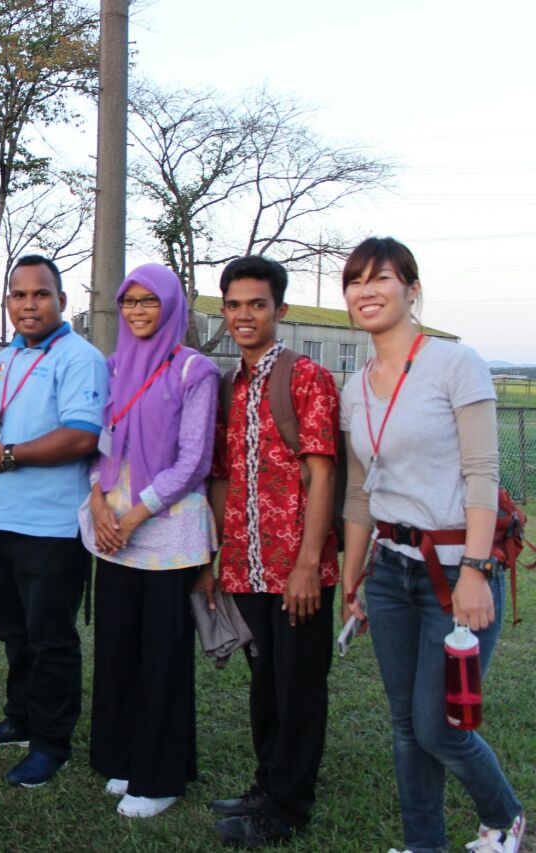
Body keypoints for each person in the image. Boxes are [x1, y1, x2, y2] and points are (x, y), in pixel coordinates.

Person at [338, 237, 525, 853]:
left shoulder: (454, 363)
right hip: (391, 572)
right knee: (402, 725)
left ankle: (506, 818)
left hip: (454, 570)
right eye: (355, 281)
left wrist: (475, 568)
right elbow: (364, 490)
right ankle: (425, 844)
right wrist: (354, 577)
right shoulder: (355, 386)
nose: (366, 291)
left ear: (411, 289)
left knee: (440, 727)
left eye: (380, 278)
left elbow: (482, 471)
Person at [0, 255, 107, 788]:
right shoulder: (4, 359)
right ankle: (19, 720)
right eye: (18, 296)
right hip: (1, 517)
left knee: (51, 639)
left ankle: (50, 743)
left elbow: (82, 436)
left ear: (62, 301)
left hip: (52, 527)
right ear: (7, 304)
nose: (28, 304)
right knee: (14, 631)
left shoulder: (80, 357)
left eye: (40, 294)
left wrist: (11, 454)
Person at [206, 256, 340, 846]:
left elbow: (322, 473)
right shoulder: (227, 385)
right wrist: (216, 557)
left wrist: (308, 565)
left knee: (299, 686)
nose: (244, 315)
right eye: (234, 305)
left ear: (279, 311)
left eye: (256, 304)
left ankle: (288, 807)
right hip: (244, 565)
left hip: (297, 568)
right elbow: (220, 476)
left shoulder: (306, 377)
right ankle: (267, 783)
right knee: (265, 684)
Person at [82, 263, 219, 818]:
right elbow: (100, 447)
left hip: (167, 533)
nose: (138, 311)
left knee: (162, 656)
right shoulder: (114, 367)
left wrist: (136, 514)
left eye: (149, 301)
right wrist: (97, 500)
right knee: (118, 649)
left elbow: (193, 461)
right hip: (111, 531)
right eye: (129, 302)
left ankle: (160, 776)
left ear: (171, 306)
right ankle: (124, 755)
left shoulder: (195, 370)